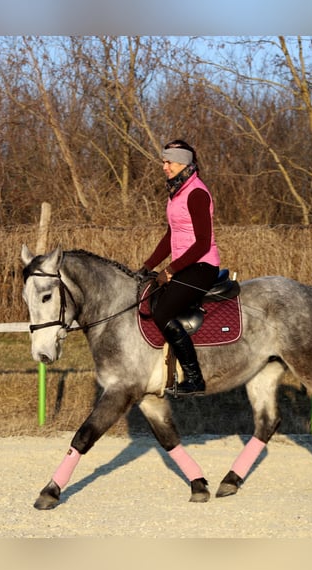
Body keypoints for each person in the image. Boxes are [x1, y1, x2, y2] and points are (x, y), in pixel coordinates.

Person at [139, 139, 220, 396]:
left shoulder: (196, 192)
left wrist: (171, 270)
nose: (164, 167)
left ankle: (194, 377)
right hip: (185, 266)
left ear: (183, 163)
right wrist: (148, 265)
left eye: (168, 162)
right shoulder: (176, 193)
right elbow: (170, 236)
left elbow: (202, 242)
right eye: (163, 162)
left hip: (202, 266)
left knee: (163, 312)